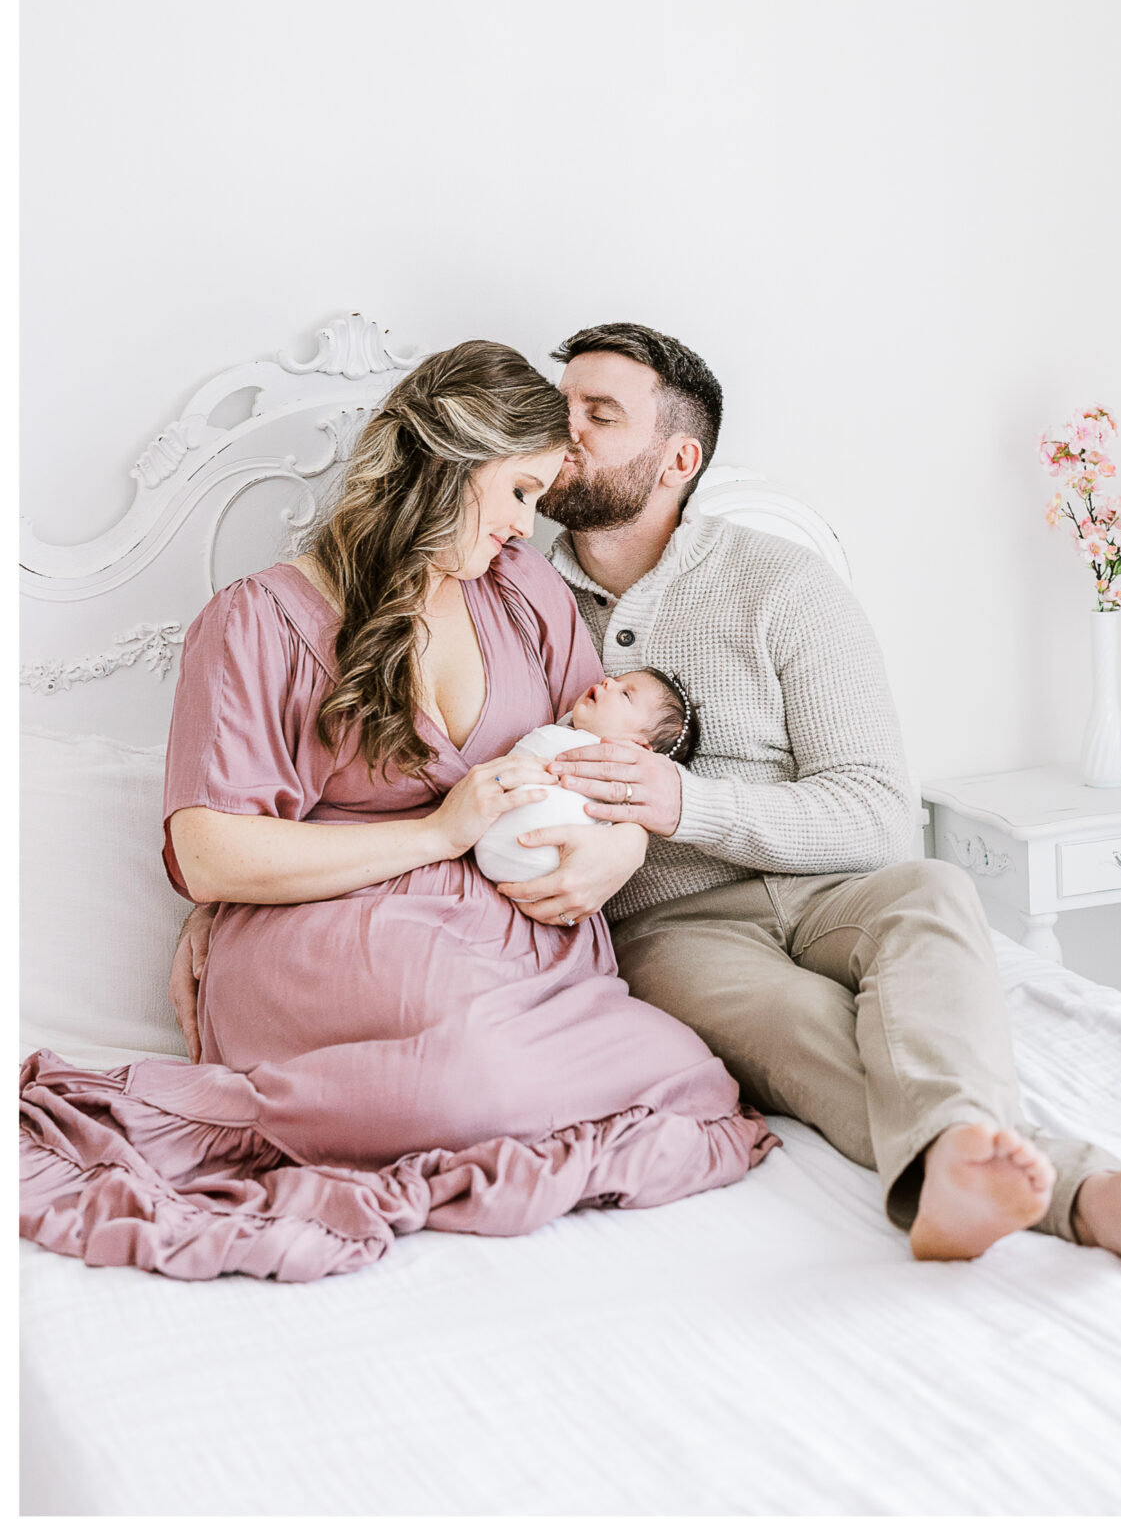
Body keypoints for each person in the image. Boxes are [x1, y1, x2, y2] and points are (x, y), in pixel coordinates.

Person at [171, 323, 1121, 1271]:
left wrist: (658, 817)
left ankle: (1007, 1176)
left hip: (783, 891)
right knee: (800, 1034)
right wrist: (240, 905)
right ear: (467, 463)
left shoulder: (757, 583)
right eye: (551, 428)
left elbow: (871, 809)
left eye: (595, 419)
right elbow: (228, 831)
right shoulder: (502, 580)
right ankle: (1043, 1189)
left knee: (931, 897)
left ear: (678, 461)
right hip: (650, 928)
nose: (564, 447)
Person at [20, 342, 774, 1283]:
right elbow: (209, 854)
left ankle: (484, 1073)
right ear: (453, 466)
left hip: (507, 948)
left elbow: (606, 764)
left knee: (685, 1078)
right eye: (518, 495)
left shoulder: (522, 593)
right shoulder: (258, 621)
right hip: (329, 936)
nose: (525, 529)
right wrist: (436, 832)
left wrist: (618, 848)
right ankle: (296, 1102)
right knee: (471, 1078)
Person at [474, 668, 699, 885]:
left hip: (545, 864)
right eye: (615, 678)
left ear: (637, 746)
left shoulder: (611, 772)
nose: (608, 681)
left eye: (626, 694)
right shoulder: (568, 733)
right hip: (491, 843)